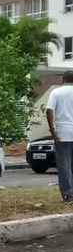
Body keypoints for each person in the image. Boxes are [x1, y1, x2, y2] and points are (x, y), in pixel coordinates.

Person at [46, 70, 73, 203]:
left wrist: (52, 131)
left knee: (64, 165)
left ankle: (68, 195)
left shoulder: (56, 92)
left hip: (63, 133)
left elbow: (49, 110)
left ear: (63, 79)